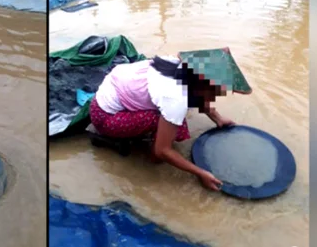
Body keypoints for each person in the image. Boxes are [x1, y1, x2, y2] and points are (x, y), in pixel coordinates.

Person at [89, 55, 235, 191]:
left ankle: (143, 137)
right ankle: (151, 159)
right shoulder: (176, 98)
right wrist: (201, 173)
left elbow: (197, 94)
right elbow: (163, 150)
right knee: (173, 131)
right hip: (104, 117)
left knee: (174, 119)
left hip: (111, 94)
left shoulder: (176, 65)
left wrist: (218, 119)